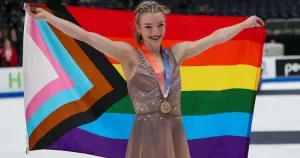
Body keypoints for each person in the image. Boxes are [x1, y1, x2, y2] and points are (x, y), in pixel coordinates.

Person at [24, 1, 264, 158]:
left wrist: (244, 24)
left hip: (175, 132)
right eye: (148, 26)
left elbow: (214, 39)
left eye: (160, 24)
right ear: (138, 28)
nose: (155, 31)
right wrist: (48, 18)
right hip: (146, 135)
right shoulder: (129, 56)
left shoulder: (177, 54)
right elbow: (87, 37)